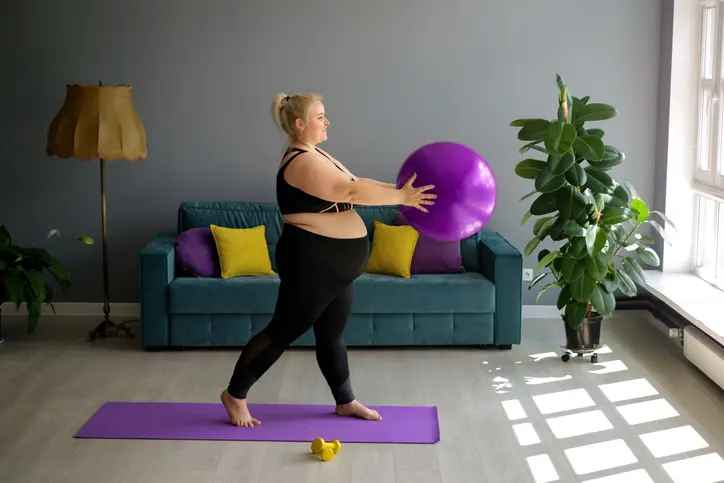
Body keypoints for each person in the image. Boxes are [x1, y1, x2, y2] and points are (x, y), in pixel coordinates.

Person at [220, 92, 436, 427]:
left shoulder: (316, 154)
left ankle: (345, 401)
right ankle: (235, 395)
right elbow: (351, 192)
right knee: (283, 330)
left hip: (334, 268)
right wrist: (400, 197)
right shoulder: (301, 162)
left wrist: (400, 190)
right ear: (299, 123)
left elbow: (356, 183)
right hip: (312, 261)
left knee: (331, 334)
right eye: (320, 116)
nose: (327, 121)